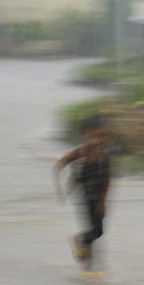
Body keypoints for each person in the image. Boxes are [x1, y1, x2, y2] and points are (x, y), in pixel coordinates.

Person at [53, 115, 112, 270]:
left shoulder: (104, 155)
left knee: (98, 231)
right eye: (94, 136)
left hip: (98, 195)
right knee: (92, 230)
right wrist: (59, 189)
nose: (98, 140)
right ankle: (88, 265)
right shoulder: (79, 152)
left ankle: (83, 250)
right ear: (84, 135)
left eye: (102, 136)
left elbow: (107, 179)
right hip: (84, 195)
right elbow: (58, 166)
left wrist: (103, 202)